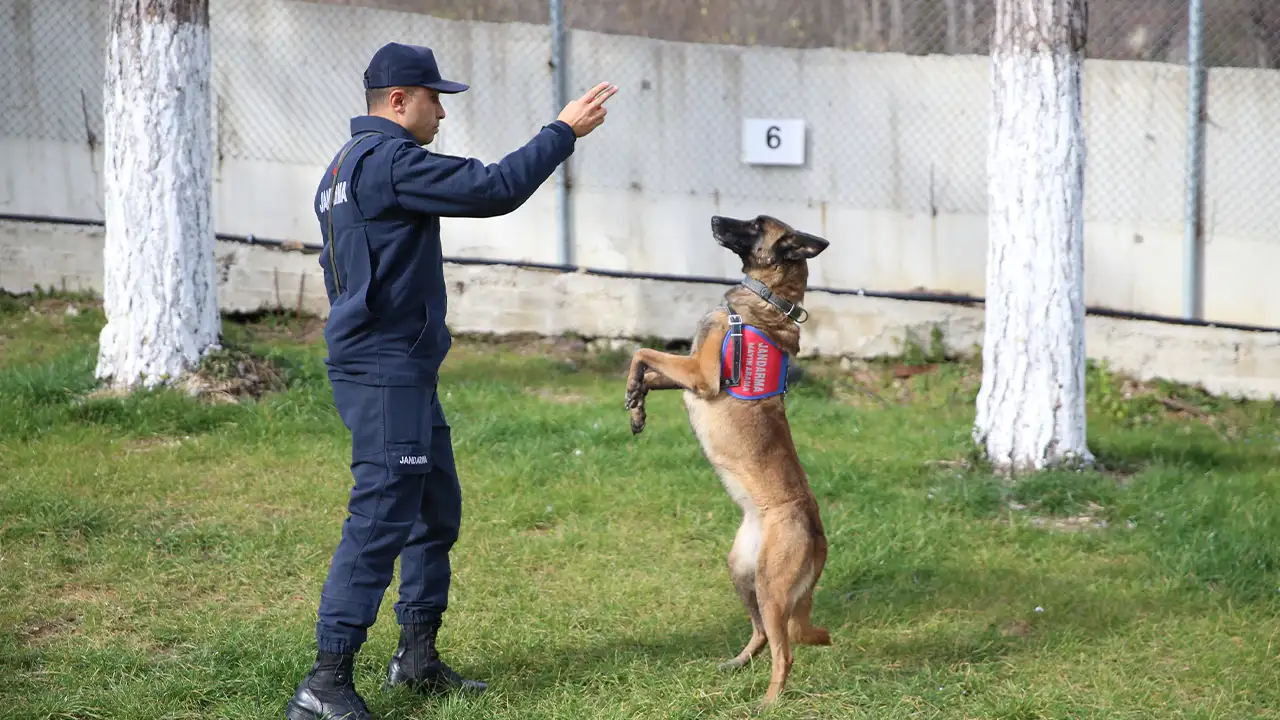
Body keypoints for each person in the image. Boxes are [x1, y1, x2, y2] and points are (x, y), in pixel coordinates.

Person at [285, 41, 617, 720]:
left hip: (396, 366)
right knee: (380, 518)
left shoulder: (343, 167)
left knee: (434, 511)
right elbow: (493, 189)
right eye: (435, 98)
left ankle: (416, 657)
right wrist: (562, 132)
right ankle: (325, 683)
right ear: (398, 101)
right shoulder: (388, 161)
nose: (442, 111)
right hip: (385, 372)